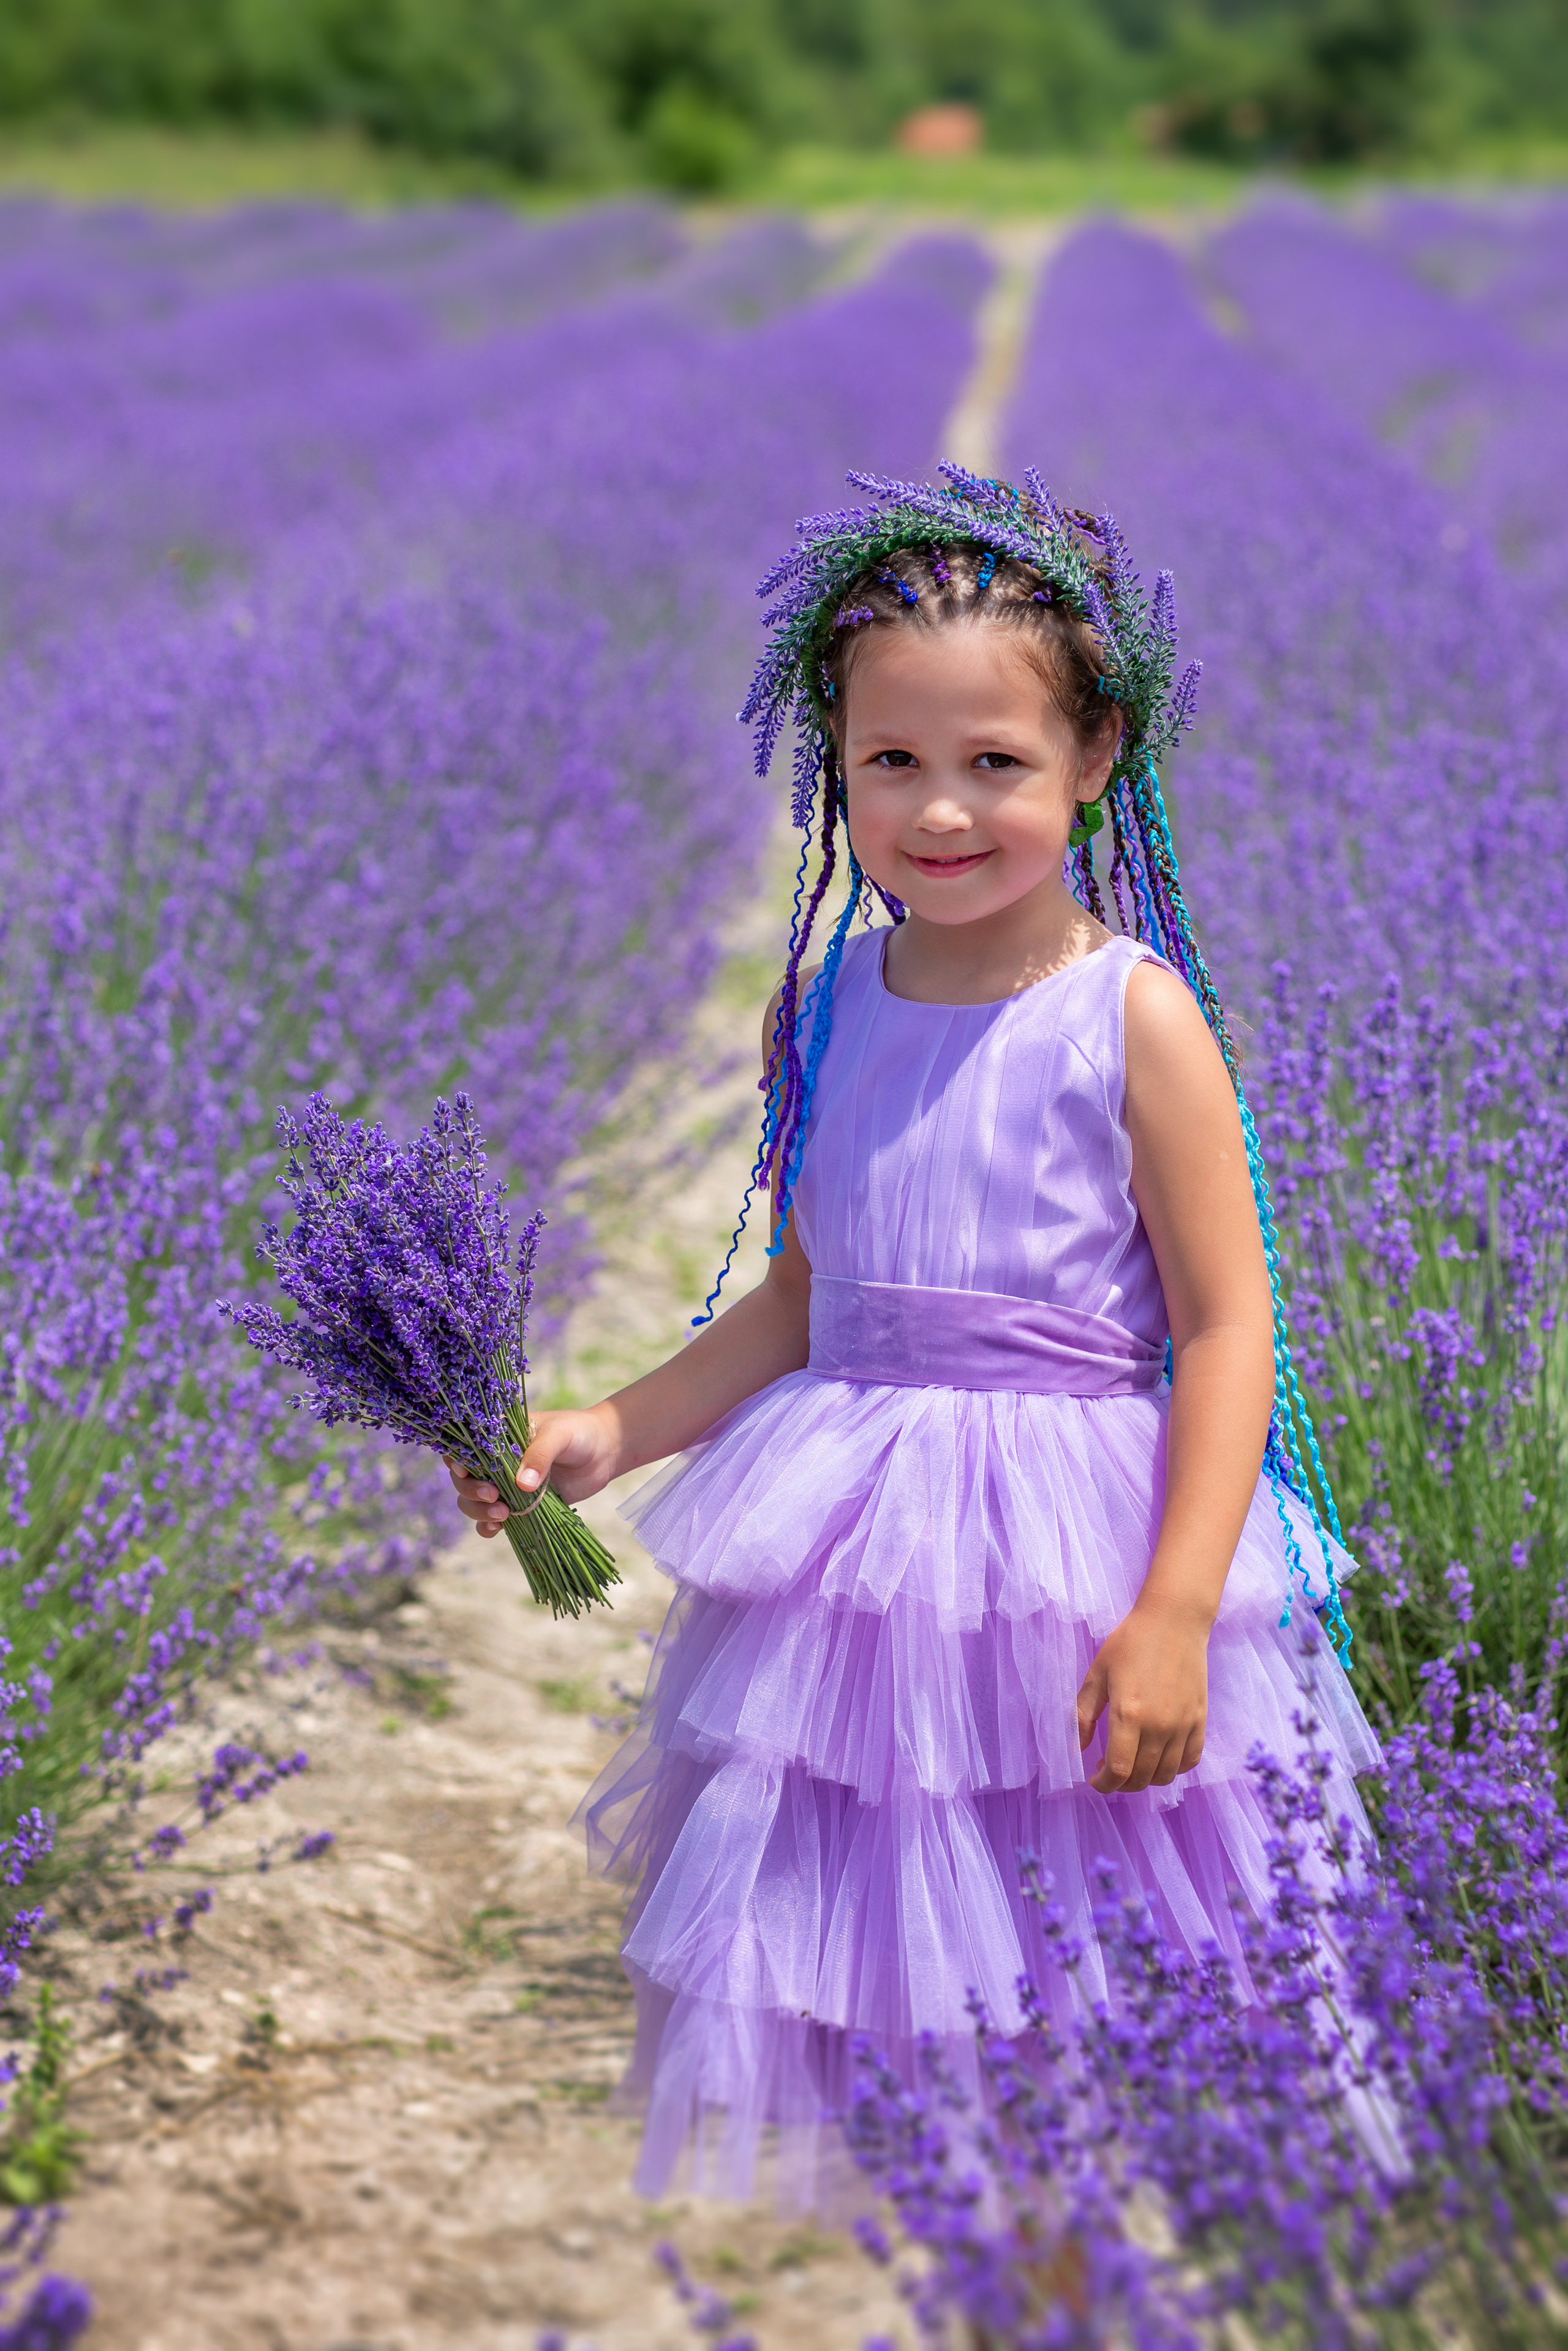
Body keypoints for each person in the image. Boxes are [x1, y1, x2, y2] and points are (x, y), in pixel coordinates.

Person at [449, 467, 1379, 2214]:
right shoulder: (828, 1005)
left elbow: (1226, 1322)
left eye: (997, 765)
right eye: (893, 764)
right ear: (836, 765)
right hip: (870, 1582)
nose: (942, 810)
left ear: (1097, 759)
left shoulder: (1133, 1016)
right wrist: (607, 1431)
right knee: (910, 2047)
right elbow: (813, 1297)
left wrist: (1176, 1606)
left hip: (1067, 1574)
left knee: (1069, 2037)